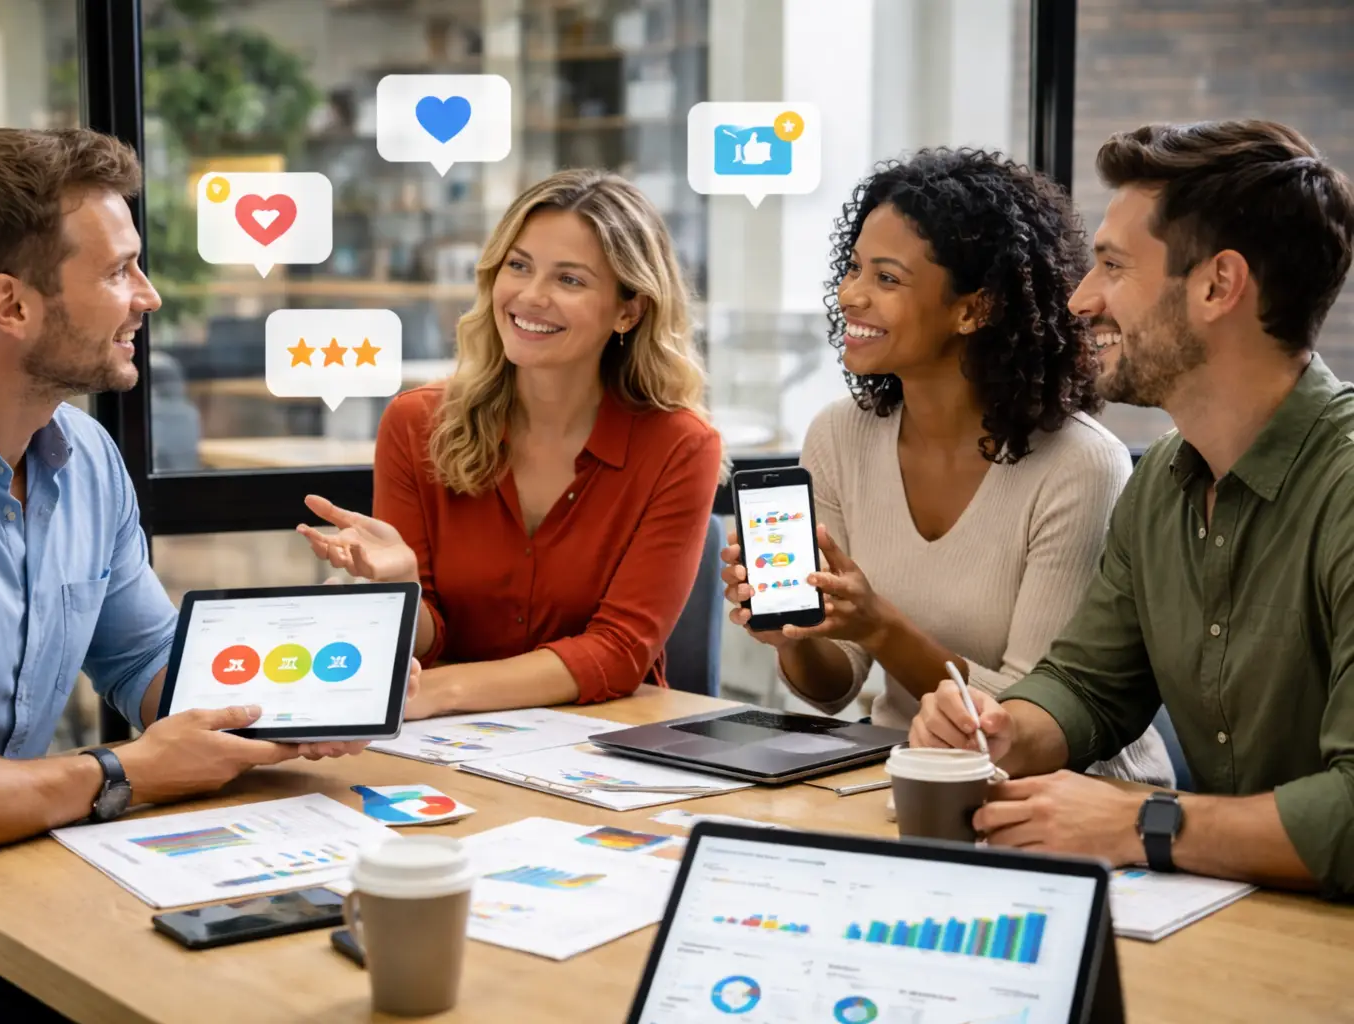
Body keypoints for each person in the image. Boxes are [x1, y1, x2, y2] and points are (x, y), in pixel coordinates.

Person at [0, 128, 389, 1021]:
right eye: (120, 270)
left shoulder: (80, 453)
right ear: (10, 304)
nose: (149, 296)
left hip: (4, 885)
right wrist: (122, 772)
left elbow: (151, 665)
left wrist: (301, 696)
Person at [909, 119, 1354, 897]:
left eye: (1113, 266)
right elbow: (1088, 686)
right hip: (1238, 917)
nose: (1082, 299)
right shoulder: (1162, 485)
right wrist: (1005, 727)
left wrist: (1137, 823)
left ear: (1219, 285)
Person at [721, 148, 1172, 783]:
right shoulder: (839, 437)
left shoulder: (1080, 465)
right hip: (901, 781)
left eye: (886, 279)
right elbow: (832, 689)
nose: (850, 295)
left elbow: (1022, 716)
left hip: (1067, 798)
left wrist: (882, 628)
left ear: (973, 309)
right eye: (853, 270)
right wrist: (793, 634)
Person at [298, 169, 725, 720]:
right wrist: (402, 590)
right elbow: (427, 641)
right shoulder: (415, 423)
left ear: (629, 309)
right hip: (444, 743)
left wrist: (438, 694)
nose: (530, 296)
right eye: (518, 266)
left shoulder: (680, 446)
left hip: (606, 742)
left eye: (569, 280)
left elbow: (619, 651)